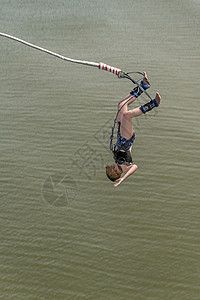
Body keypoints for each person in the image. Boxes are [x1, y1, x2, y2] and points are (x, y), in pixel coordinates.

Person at [106, 72, 161, 187]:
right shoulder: (126, 169)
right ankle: (153, 104)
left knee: (121, 104)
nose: (115, 167)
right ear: (118, 174)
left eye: (113, 168)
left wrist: (119, 127)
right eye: (115, 170)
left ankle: (143, 86)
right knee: (127, 115)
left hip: (121, 133)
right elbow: (135, 167)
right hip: (126, 139)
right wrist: (123, 179)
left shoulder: (119, 163)